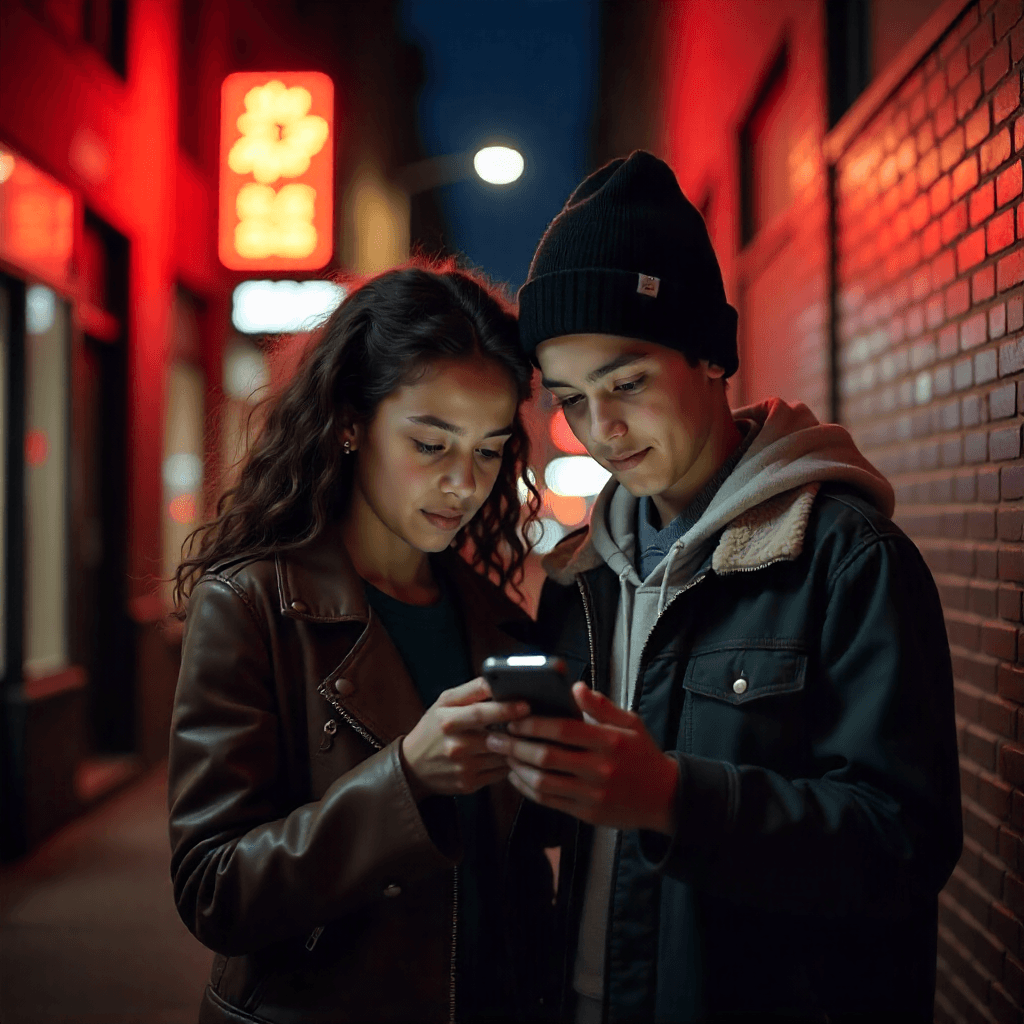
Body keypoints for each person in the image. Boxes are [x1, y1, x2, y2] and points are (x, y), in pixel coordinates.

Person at [484, 152, 963, 1023]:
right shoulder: (583, 575)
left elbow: (903, 844)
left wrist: (671, 797)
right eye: (572, 399)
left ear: (709, 352)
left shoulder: (845, 557)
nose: (603, 430)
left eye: (625, 383)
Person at [167, 263, 555, 1024]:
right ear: (350, 421)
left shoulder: (495, 617)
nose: (462, 484)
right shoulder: (251, 604)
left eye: (487, 450)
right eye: (431, 443)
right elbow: (214, 888)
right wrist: (405, 779)